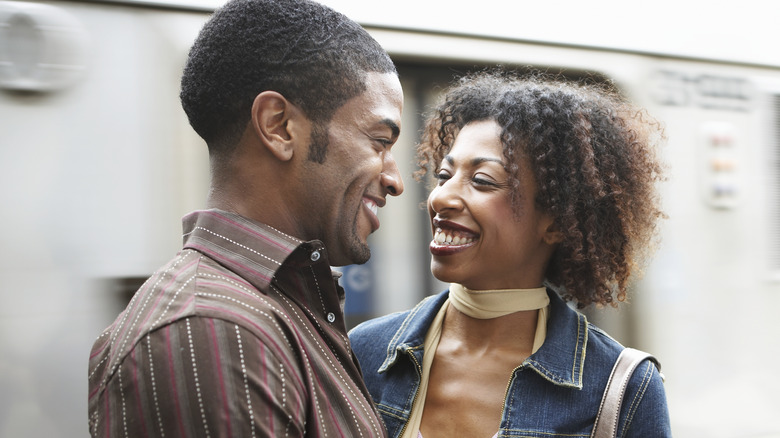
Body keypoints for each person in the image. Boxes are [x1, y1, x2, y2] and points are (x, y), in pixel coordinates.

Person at [87, 0, 404, 436]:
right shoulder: (213, 329)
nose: (395, 180)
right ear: (279, 126)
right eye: (380, 141)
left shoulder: (270, 310)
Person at [349, 70, 672, 438]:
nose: (441, 198)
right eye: (444, 175)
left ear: (556, 222)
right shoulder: (364, 351)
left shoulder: (624, 388)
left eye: (481, 181)